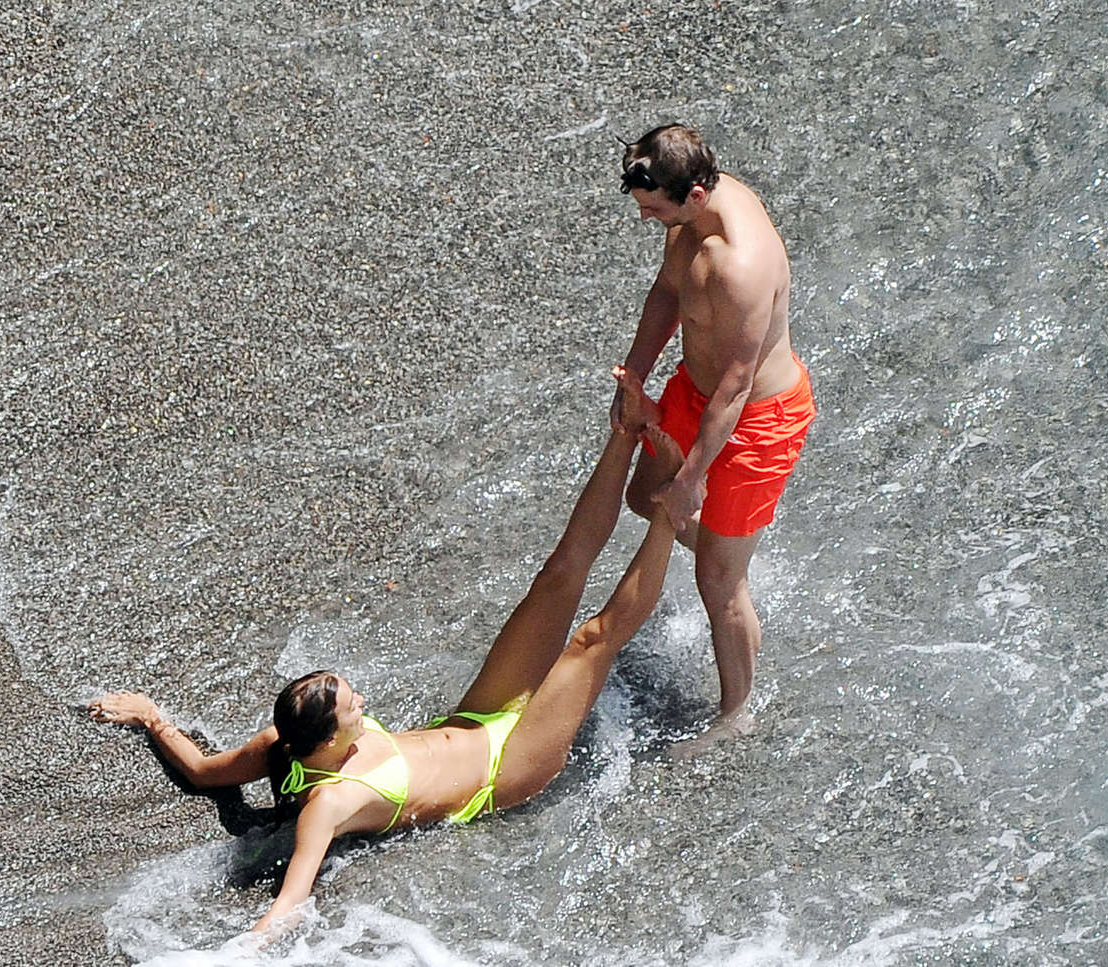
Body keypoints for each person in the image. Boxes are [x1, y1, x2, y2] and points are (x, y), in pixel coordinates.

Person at [90, 370, 682, 937]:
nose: (364, 702)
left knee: (556, 577)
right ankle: (672, 509)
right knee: (592, 639)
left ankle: (624, 436)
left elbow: (202, 769)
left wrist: (151, 716)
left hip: (473, 718)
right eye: (354, 706)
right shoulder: (328, 803)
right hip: (504, 770)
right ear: (328, 741)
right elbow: (289, 905)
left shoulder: (284, 741)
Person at [610, 123, 816, 758]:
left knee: (715, 584)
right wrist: (636, 375)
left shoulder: (741, 264)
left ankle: (735, 716)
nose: (647, 219)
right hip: (696, 392)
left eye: (654, 209)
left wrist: (695, 475)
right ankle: (731, 555)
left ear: (696, 195)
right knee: (646, 497)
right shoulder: (687, 215)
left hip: (756, 417)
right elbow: (668, 292)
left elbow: (735, 386)